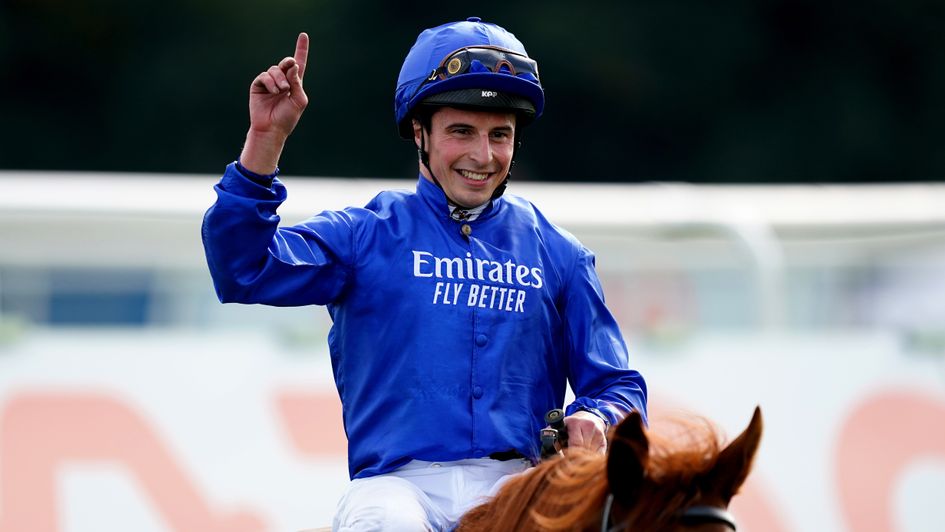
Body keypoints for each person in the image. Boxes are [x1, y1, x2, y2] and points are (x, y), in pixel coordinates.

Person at [202, 17, 647, 531]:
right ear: (420, 131)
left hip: (519, 487)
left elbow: (618, 385)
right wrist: (266, 138)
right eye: (462, 131)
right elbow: (242, 269)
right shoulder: (365, 235)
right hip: (395, 488)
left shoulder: (561, 254)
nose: (483, 157)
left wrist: (597, 417)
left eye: (499, 135)